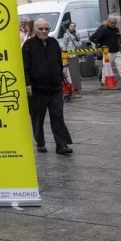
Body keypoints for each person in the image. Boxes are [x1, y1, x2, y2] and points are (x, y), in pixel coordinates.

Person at [23, 18, 73, 155]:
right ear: (35, 29)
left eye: (46, 28)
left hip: (55, 88)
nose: (44, 31)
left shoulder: (54, 43)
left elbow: (59, 62)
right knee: (37, 118)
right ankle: (40, 142)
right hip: (37, 89)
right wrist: (27, 85)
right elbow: (25, 67)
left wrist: (60, 77)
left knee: (58, 116)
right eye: (41, 29)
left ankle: (61, 144)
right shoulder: (28, 45)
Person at [91, 16, 121, 86]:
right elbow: (98, 39)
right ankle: (103, 80)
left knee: (120, 65)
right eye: (112, 23)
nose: (113, 24)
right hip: (108, 51)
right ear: (109, 22)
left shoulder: (116, 29)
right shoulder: (104, 30)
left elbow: (116, 38)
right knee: (106, 66)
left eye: (114, 23)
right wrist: (101, 45)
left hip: (116, 50)